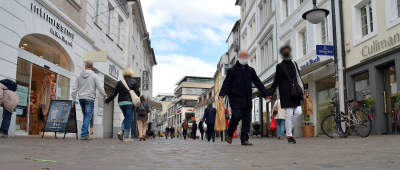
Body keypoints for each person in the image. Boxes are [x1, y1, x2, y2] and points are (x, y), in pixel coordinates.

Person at [219, 50, 270, 145]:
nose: (244, 57)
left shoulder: (250, 70)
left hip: (247, 99)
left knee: (247, 119)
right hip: (235, 99)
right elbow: (226, 84)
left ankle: (244, 139)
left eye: (245, 55)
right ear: (238, 57)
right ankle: (229, 134)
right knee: (237, 116)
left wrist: (266, 94)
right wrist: (222, 94)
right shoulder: (232, 70)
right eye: (242, 55)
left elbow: (258, 83)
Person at [266, 45, 308, 144]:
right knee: (289, 114)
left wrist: (305, 88)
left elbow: (298, 77)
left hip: (295, 92)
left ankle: (288, 129)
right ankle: (289, 136)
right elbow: (276, 81)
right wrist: (270, 93)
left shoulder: (294, 63)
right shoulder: (280, 66)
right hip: (285, 93)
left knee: (298, 112)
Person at [71, 61, 107, 140]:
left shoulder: (79, 76)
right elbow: (100, 87)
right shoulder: (94, 76)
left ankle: (86, 134)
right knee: (87, 116)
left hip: (81, 98)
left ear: (85, 66)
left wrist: (73, 98)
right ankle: (84, 134)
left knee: (85, 116)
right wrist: (104, 95)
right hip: (89, 98)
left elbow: (75, 88)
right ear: (92, 66)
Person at [105, 68, 139, 142]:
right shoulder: (134, 82)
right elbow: (138, 93)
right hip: (129, 103)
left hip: (121, 103)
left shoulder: (119, 82)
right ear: (131, 73)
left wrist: (108, 100)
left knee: (126, 117)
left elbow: (114, 93)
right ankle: (126, 137)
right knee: (129, 118)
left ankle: (121, 131)